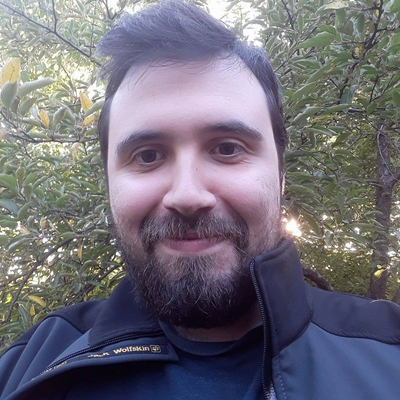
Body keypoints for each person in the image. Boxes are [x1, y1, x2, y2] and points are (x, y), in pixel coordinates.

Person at [1, 1, 400, 399]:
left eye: (227, 148)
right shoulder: (31, 367)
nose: (187, 195)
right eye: (147, 155)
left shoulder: (388, 353)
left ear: (280, 177)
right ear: (108, 183)